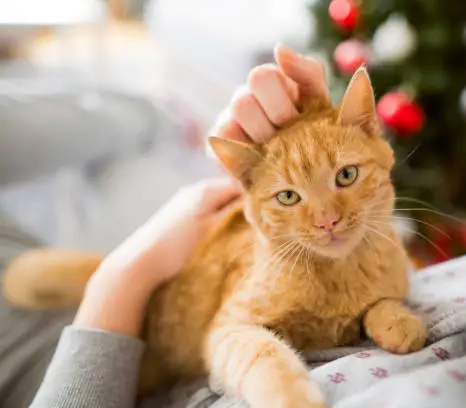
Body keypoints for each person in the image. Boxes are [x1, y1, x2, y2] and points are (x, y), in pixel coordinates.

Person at [25, 45, 328, 408]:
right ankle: (164, 112)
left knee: (117, 169)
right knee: (122, 168)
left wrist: (127, 273)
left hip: (85, 329)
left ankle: (164, 113)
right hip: (87, 343)